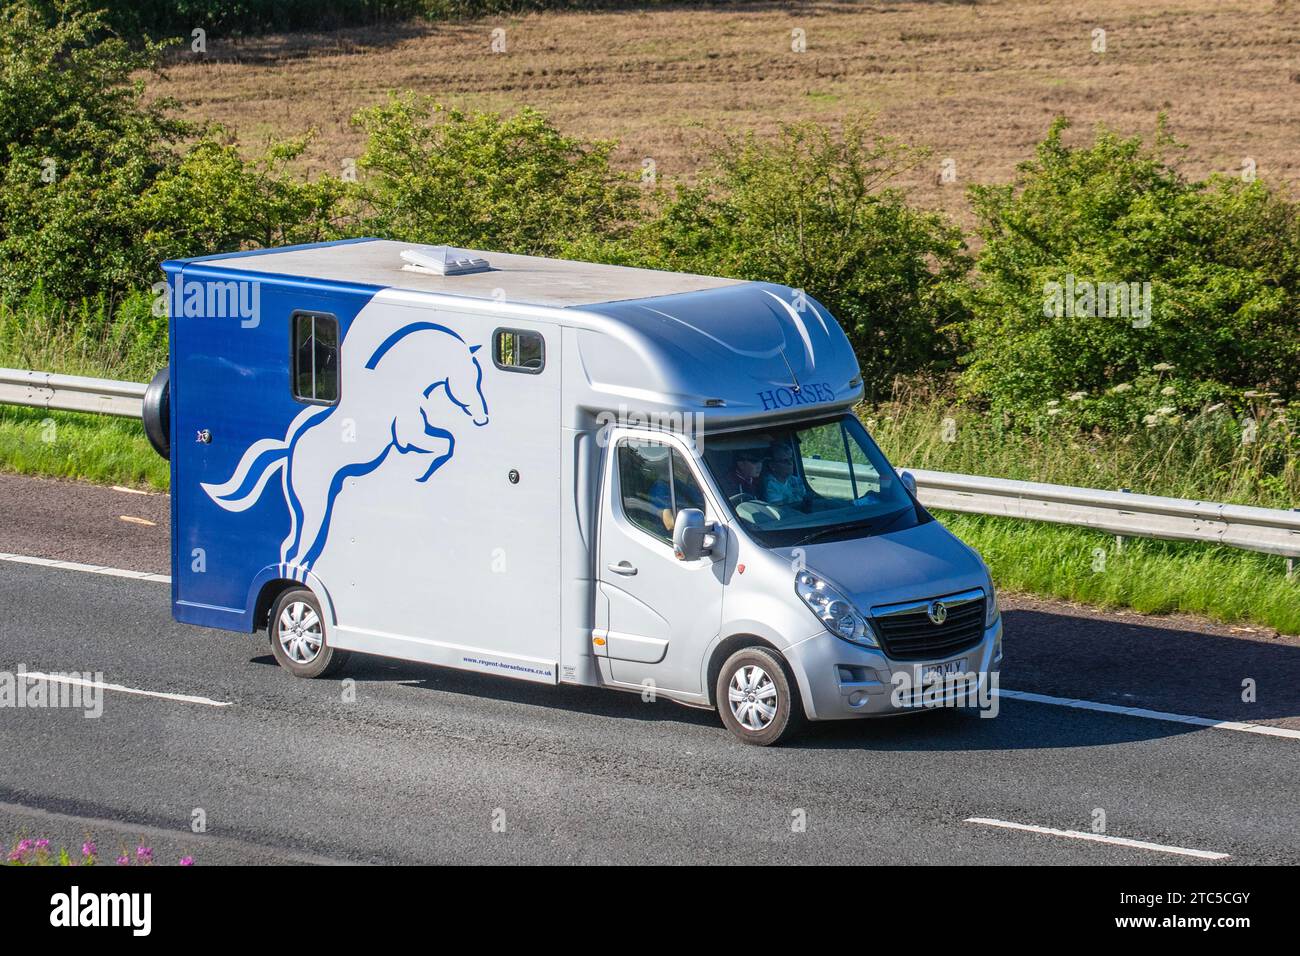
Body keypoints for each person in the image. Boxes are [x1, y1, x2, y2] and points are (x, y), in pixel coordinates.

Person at [763, 443, 808, 507]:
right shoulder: (769, 485)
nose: (790, 463)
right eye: (785, 461)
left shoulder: (796, 480)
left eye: (791, 459)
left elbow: (805, 499)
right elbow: (779, 507)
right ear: (772, 465)